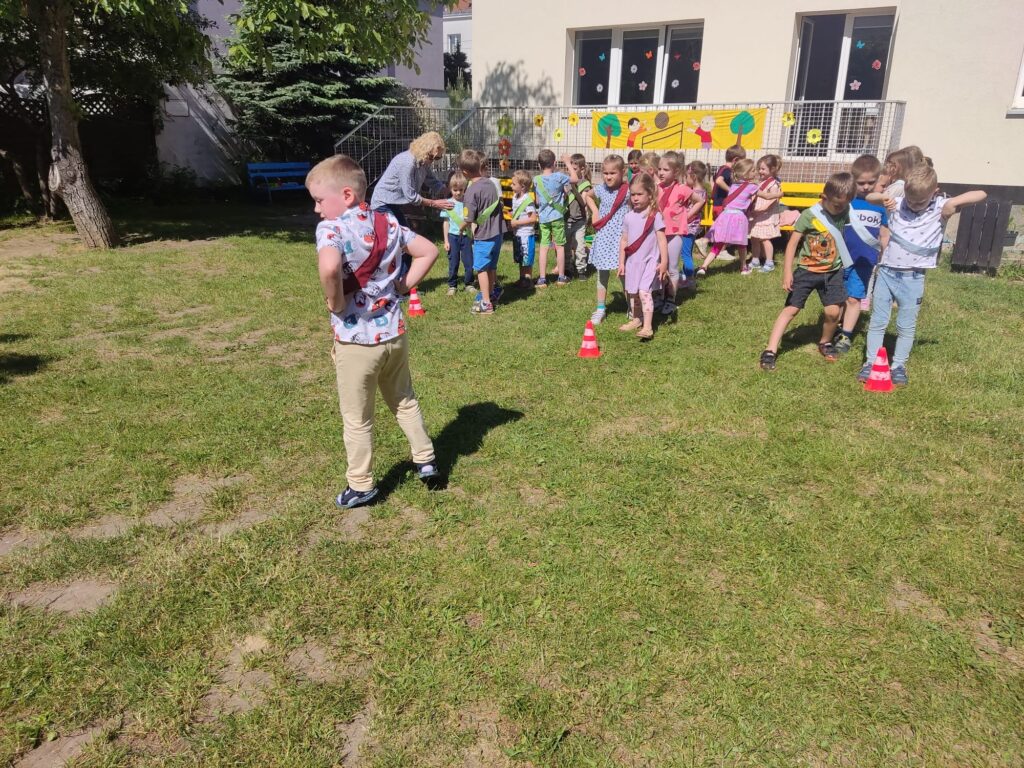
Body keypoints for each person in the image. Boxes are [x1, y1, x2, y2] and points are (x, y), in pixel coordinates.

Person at [305, 154, 439, 509]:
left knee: (357, 418)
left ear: (346, 195)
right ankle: (425, 459)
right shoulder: (387, 221)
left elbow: (329, 268)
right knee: (404, 400)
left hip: (356, 341)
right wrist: (402, 286)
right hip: (394, 334)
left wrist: (335, 302)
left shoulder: (331, 228)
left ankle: (361, 485)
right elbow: (428, 251)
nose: (317, 209)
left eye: (319, 200)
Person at [857, 165, 986, 386]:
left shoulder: (940, 207)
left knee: (906, 326)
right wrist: (883, 198)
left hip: (913, 279)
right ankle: (870, 362)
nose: (914, 205)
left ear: (935, 191)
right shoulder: (898, 203)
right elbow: (869, 197)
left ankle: (898, 366)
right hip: (886, 273)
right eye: (911, 200)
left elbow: (981, 194)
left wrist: (953, 203)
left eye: (920, 202)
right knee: (878, 321)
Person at [759, 172, 857, 371]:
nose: (840, 209)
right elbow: (792, 244)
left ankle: (825, 342)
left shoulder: (845, 210)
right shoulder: (809, 215)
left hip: (832, 272)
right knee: (791, 309)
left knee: (833, 312)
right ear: (824, 197)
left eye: (844, 205)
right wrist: (787, 272)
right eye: (836, 205)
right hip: (806, 271)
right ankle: (770, 349)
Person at [833, 154, 888, 355]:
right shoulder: (847, 203)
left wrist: (884, 255)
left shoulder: (881, 206)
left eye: (871, 183)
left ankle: (845, 335)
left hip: (864, 261)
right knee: (837, 297)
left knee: (854, 298)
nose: (866, 187)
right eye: (861, 183)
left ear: (878, 179)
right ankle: (833, 328)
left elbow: (884, 233)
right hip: (841, 259)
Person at [618, 173, 668, 340]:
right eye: (633, 194)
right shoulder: (628, 217)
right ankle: (637, 318)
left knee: (644, 291)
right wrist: (621, 263)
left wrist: (664, 262)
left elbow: (662, 240)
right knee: (633, 292)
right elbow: (624, 240)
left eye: (640, 194)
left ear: (650, 194)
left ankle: (647, 327)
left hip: (650, 262)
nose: (635, 198)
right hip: (633, 262)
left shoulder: (654, 216)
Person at [583, 154, 630, 325]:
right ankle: (601, 308)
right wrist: (595, 211)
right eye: (605, 173)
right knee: (602, 274)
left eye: (612, 173)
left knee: (624, 273)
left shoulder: (628, 190)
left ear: (623, 172)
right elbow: (587, 195)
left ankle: (632, 307)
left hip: (621, 238)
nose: (608, 177)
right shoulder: (601, 189)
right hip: (603, 236)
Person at [369, 131, 453, 226]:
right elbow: (411, 196)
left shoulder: (423, 161)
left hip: (393, 204)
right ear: (424, 150)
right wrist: (434, 203)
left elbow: (432, 181)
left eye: (437, 158)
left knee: (404, 233)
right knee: (396, 233)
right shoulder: (407, 162)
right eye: (431, 157)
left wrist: (448, 192)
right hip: (382, 204)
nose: (432, 161)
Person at [460, 149, 506, 315]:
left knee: (481, 269)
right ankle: (491, 294)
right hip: (498, 233)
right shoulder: (491, 184)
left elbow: (468, 218)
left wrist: (460, 228)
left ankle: (486, 303)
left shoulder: (471, 191)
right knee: (491, 267)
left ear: (465, 172)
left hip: (484, 235)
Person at [702, 158, 761, 275]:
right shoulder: (752, 186)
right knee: (742, 244)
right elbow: (766, 196)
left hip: (725, 215)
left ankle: (703, 267)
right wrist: (778, 194)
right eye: (753, 170)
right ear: (745, 173)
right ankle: (743, 268)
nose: (756, 172)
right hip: (739, 218)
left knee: (719, 243)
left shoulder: (734, 185)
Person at [533, 150, 577, 287]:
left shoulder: (536, 179)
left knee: (544, 247)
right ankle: (561, 277)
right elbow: (575, 179)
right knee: (559, 246)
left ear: (539, 165)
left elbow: (537, 201)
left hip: (543, 218)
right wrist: (568, 163)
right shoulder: (559, 177)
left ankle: (542, 279)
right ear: (554, 163)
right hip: (557, 217)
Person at [656, 152, 689, 314]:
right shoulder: (656, 188)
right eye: (659, 169)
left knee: (673, 267)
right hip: (658, 234)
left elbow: (700, 200)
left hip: (674, 235)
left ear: (675, 172)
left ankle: (671, 300)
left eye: (665, 170)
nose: (661, 172)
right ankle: (659, 296)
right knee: (659, 265)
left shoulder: (682, 189)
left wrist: (685, 217)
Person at [440, 173, 474, 296]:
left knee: (469, 262)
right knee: (453, 262)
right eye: (455, 190)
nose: (458, 193)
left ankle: (469, 283)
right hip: (452, 237)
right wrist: (446, 240)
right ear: (450, 189)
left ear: (465, 189)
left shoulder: (468, 202)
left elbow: (472, 221)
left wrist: (473, 236)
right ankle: (452, 285)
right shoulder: (448, 204)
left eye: (461, 190)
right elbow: (446, 223)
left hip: (466, 236)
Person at [748, 154, 783, 272]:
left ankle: (769, 262)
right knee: (754, 237)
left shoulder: (774, 184)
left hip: (766, 215)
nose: (760, 171)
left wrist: (761, 209)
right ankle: (755, 260)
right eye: (759, 169)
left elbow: (773, 200)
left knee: (765, 239)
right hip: (757, 214)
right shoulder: (761, 181)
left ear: (772, 169)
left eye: (763, 169)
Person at [509, 169, 539, 288]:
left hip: (526, 235)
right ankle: (522, 279)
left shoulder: (527, 200)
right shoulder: (515, 197)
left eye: (513, 184)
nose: (511, 186)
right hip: (518, 234)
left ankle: (528, 280)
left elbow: (533, 218)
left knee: (527, 259)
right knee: (521, 258)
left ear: (522, 186)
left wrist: (517, 222)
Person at [565, 153, 593, 280]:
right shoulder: (566, 181)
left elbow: (583, 202)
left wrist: (574, 189)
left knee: (580, 247)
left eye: (574, 169)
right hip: (566, 219)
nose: (571, 171)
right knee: (566, 246)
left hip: (579, 221)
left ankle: (581, 270)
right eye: (569, 169)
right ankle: (567, 269)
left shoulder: (585, 183)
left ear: (582, 169)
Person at [682, 161, 709, 282]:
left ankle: (689, 280)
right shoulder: (702, 191)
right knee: (688, 253)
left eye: (686, 176)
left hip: (688, 228)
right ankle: (686, 274)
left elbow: (690, 212)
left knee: (685, 254)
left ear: (693, 176)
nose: (685, 179)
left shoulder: (694, 194)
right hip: (694, 228)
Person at [712, 145, 746, 219]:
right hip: (722, 206)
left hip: (716, 205)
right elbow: (718, 181)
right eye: (741, 163)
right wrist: (731, 191)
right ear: (736, 160)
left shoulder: (721, 168)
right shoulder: (728, 170)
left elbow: (714, 181)